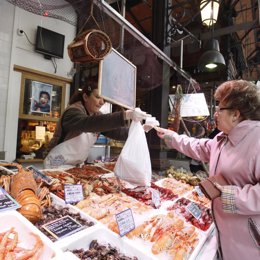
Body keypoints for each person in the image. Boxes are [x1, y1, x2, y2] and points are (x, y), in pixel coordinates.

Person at [155, 80, 260, 260]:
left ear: (236, 114)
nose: (215, 114)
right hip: (225, 235)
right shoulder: (223, 138)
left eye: (220, 109)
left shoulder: (257, 140)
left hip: (248, 242)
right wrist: (172, 138)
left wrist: (228, 195)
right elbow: (200, 146)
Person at [44, 80, 149, 169]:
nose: (102, 102)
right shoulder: (72, 112)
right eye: (98, 97)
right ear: (85, 97)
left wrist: (140, 130)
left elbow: (116, 132)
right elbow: (88, 123)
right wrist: (125, 115)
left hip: (76, 166)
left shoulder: (96, 115)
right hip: (56, 164)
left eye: (103, 99)